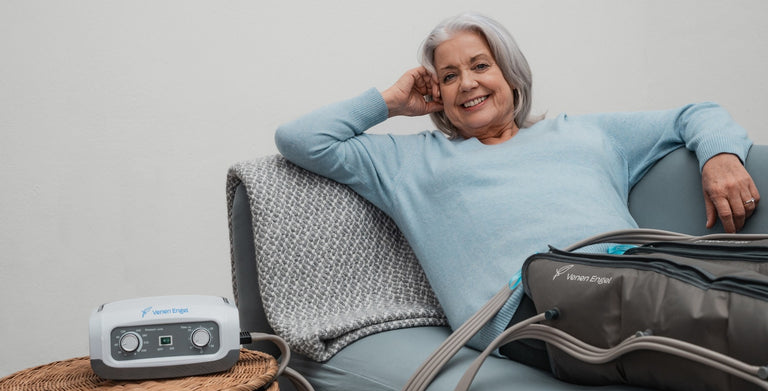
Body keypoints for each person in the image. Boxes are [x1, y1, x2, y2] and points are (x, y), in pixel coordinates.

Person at [274, 12, 760, 370]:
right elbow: (301, 139)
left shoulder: (586, 133)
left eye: (479, 66)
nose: (467, 83)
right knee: (708, 316)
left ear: (509, 73)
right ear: (437, 95)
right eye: (448, 76)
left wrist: (720, 155)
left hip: (644, 269)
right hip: (535, 305)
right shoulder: (406, 161)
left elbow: (694, 113)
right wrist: (390, 101)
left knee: (739, 282)